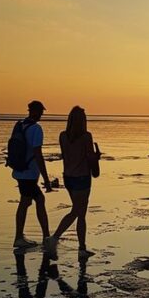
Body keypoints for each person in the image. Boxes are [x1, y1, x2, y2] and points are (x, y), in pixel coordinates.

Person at [49, 106, 101, 257]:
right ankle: (55, 238)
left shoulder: (63, 136)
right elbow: (90, 157)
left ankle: (82, 247)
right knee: (78, 211)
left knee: (81, 212)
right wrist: (97, 157)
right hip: (82, 178)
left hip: (68, 177)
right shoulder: (86, 137)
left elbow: (66, 156)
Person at [11, 100, 52, 249]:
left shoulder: (20, 125)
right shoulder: (36, 129)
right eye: (41, 112)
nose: (41, 115)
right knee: (28, 202)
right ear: (37, 112)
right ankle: (21, 237)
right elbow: (38, 155)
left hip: (19, 171)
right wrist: (46, 179)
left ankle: (45, 236)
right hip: (28, 173)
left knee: (34, 201)